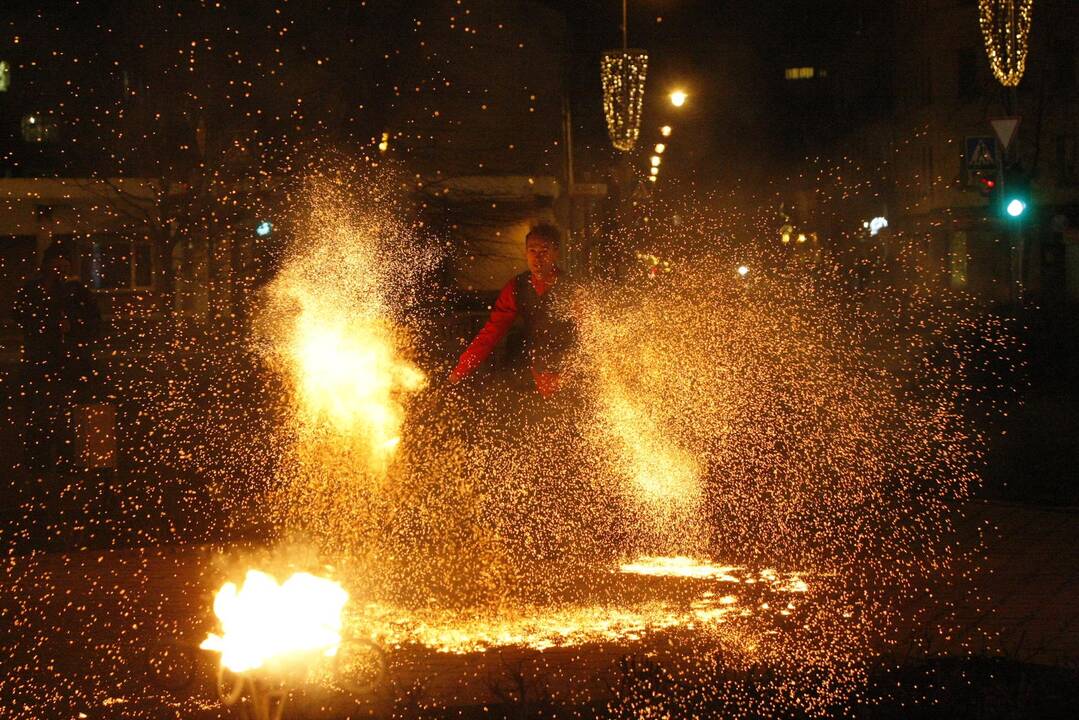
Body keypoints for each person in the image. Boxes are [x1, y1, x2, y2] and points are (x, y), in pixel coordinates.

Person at [449, 223, 576, 397]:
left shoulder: (571, 289)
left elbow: (591, 331)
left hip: (569, 373)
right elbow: (492, 331)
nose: (537, 259)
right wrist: (461, 370)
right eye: (532, 251)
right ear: (526, 253)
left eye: (544, 252)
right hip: (536, 373)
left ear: (555, 253)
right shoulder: (517, 288)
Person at [13, 241, 101, 483]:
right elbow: (22, 317)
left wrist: (73, 327)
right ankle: (38, 462)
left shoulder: (76, 291)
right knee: (39, 413)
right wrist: (48, 325)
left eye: (63, 264)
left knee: (67, 413)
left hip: (69, 363)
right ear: (45, 266)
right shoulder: (32, 291)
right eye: (54, 264)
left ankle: (66, 461)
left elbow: (94, 321)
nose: (59, 269)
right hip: (40, 362)